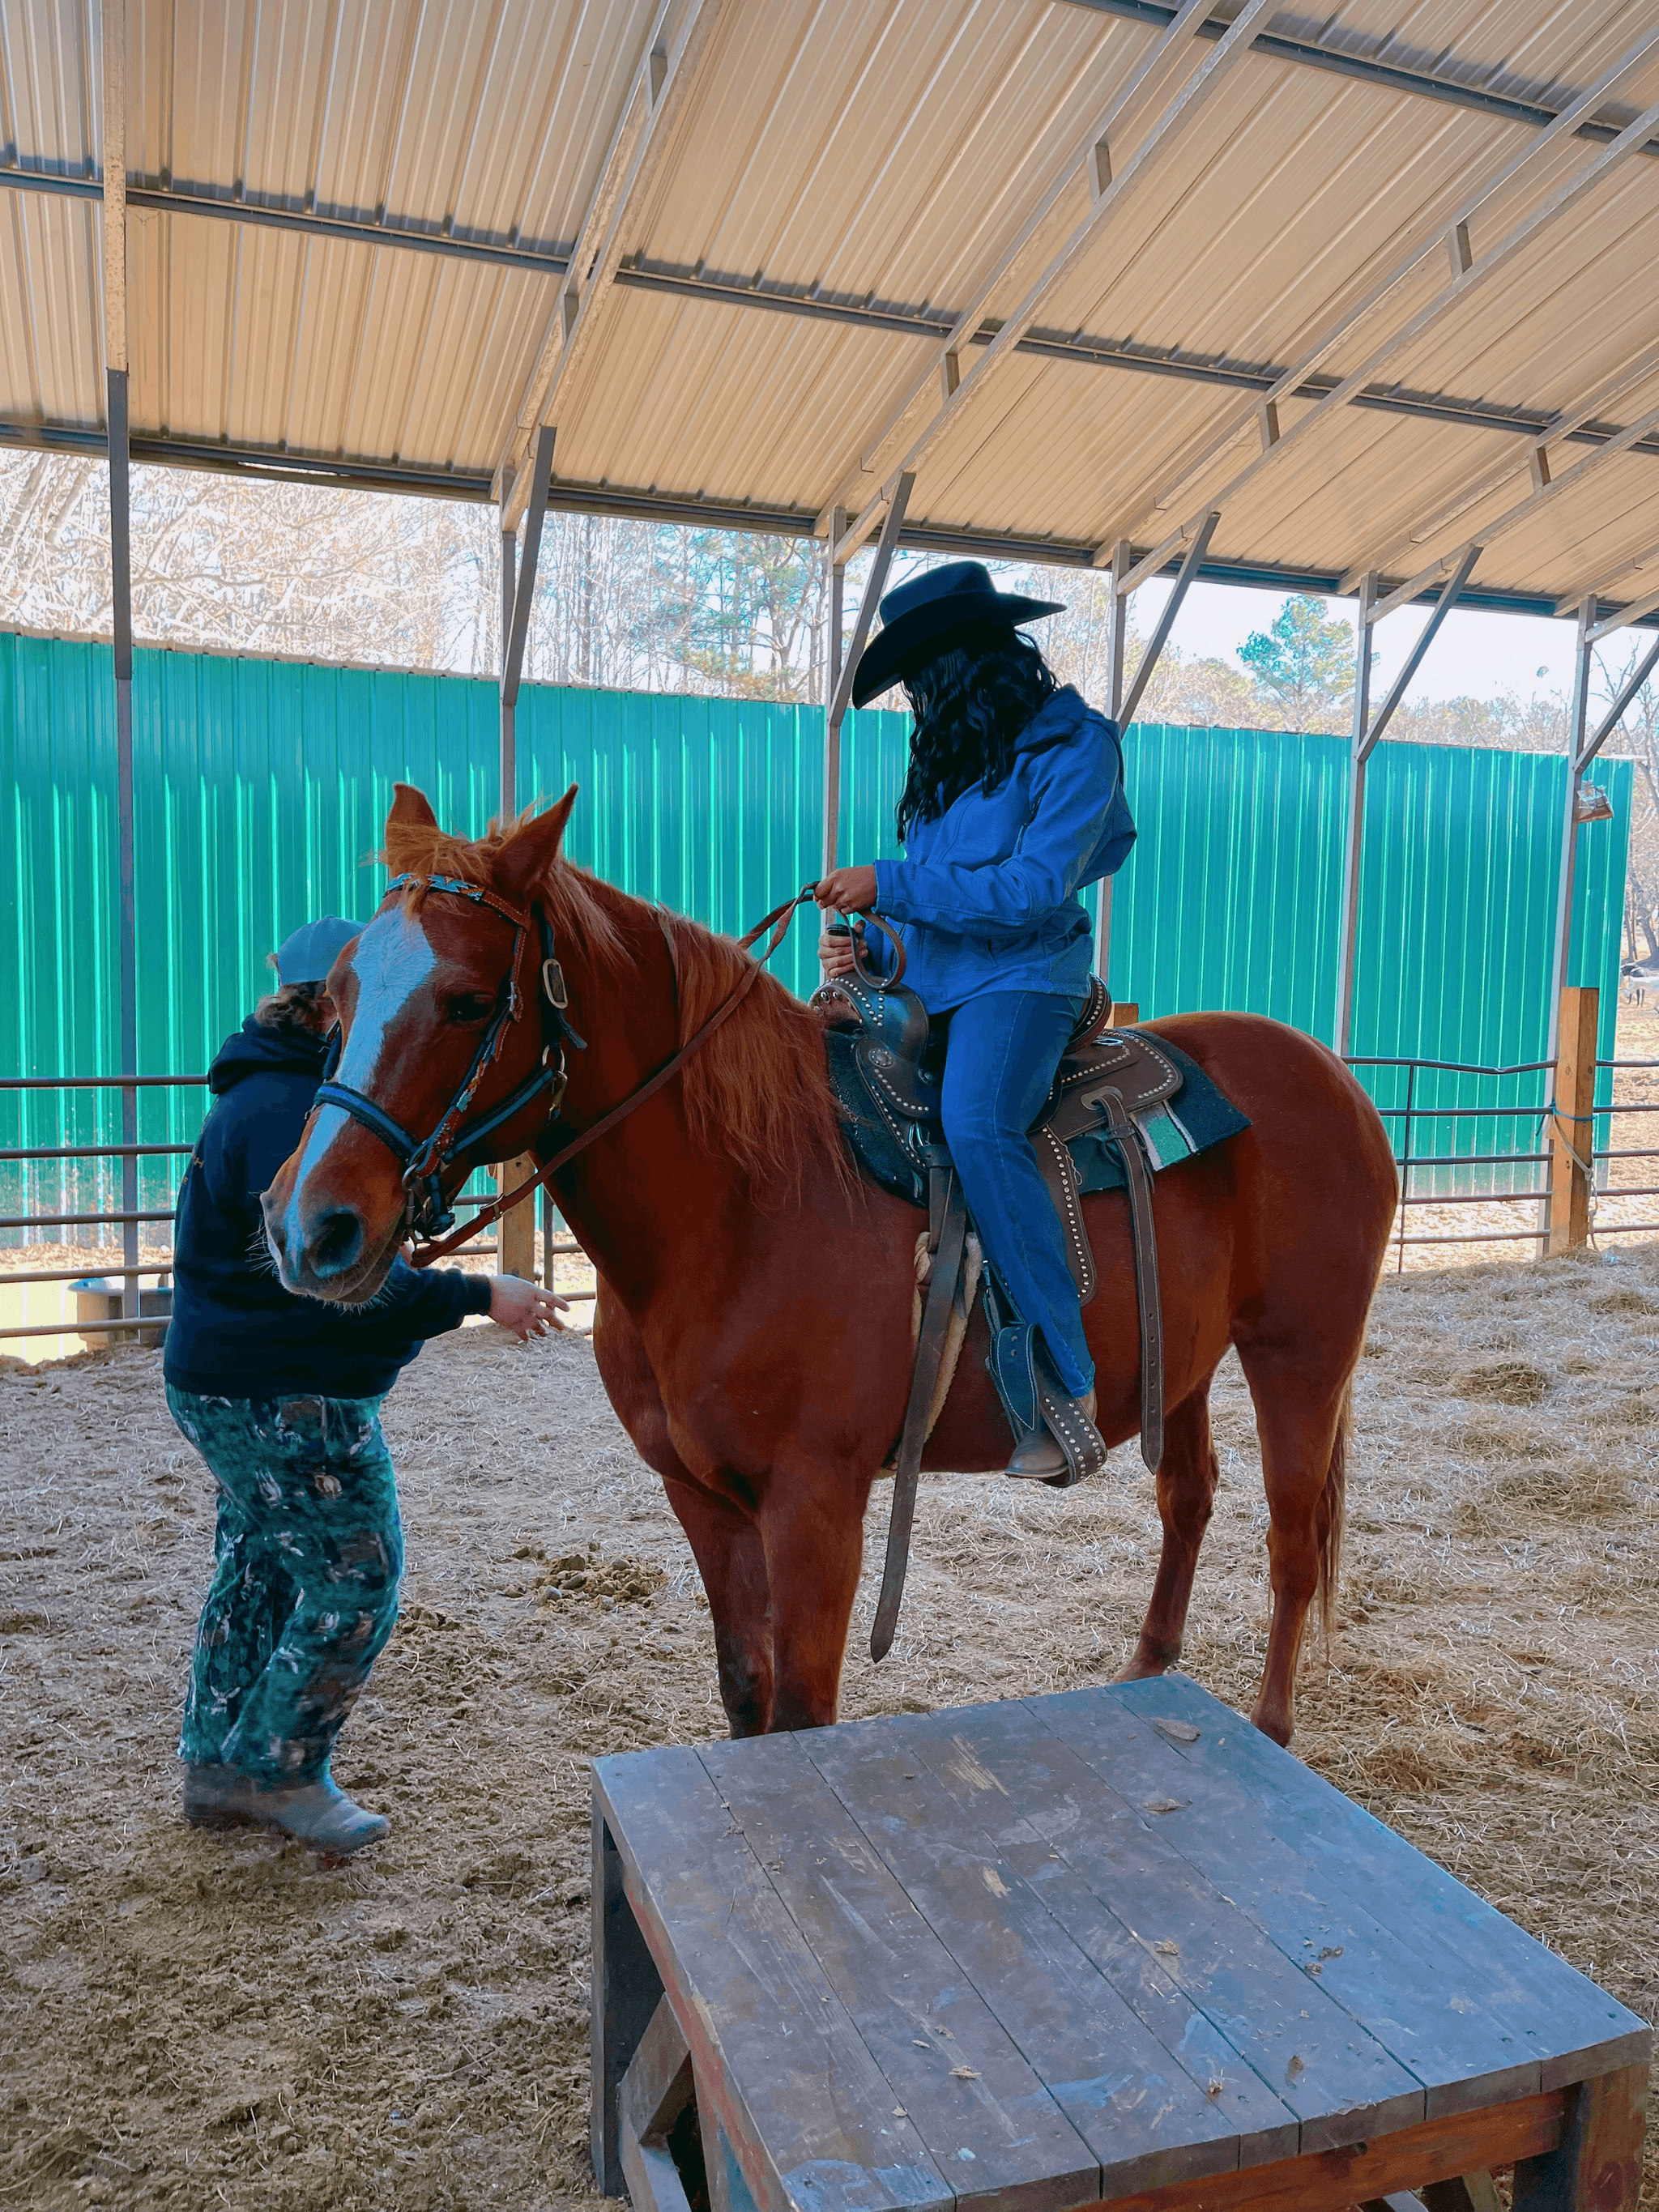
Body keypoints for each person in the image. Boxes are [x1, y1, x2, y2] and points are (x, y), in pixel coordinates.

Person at [164, 914, 566, 1854]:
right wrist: (479, 1292)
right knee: (356, 1578)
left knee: (261, 1565)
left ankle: (216, 1761)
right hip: (283, 1391)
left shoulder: (271, 1097)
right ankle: (280, 1768)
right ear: (324, 1009)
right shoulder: (280, 1115)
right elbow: (336, 1286)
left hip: (226, 1382)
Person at [816, 561, 1135, 1480]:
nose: (919, 698)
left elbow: (1034, 888)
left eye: (925, 677)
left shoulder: (1076, 747)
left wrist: (894, 880)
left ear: (969, 664)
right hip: (939, 985)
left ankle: (1060, 1382)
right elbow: (928, 927)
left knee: (977, 1121)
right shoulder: (957, 766)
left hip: (1027, 979)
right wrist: (871, 946)